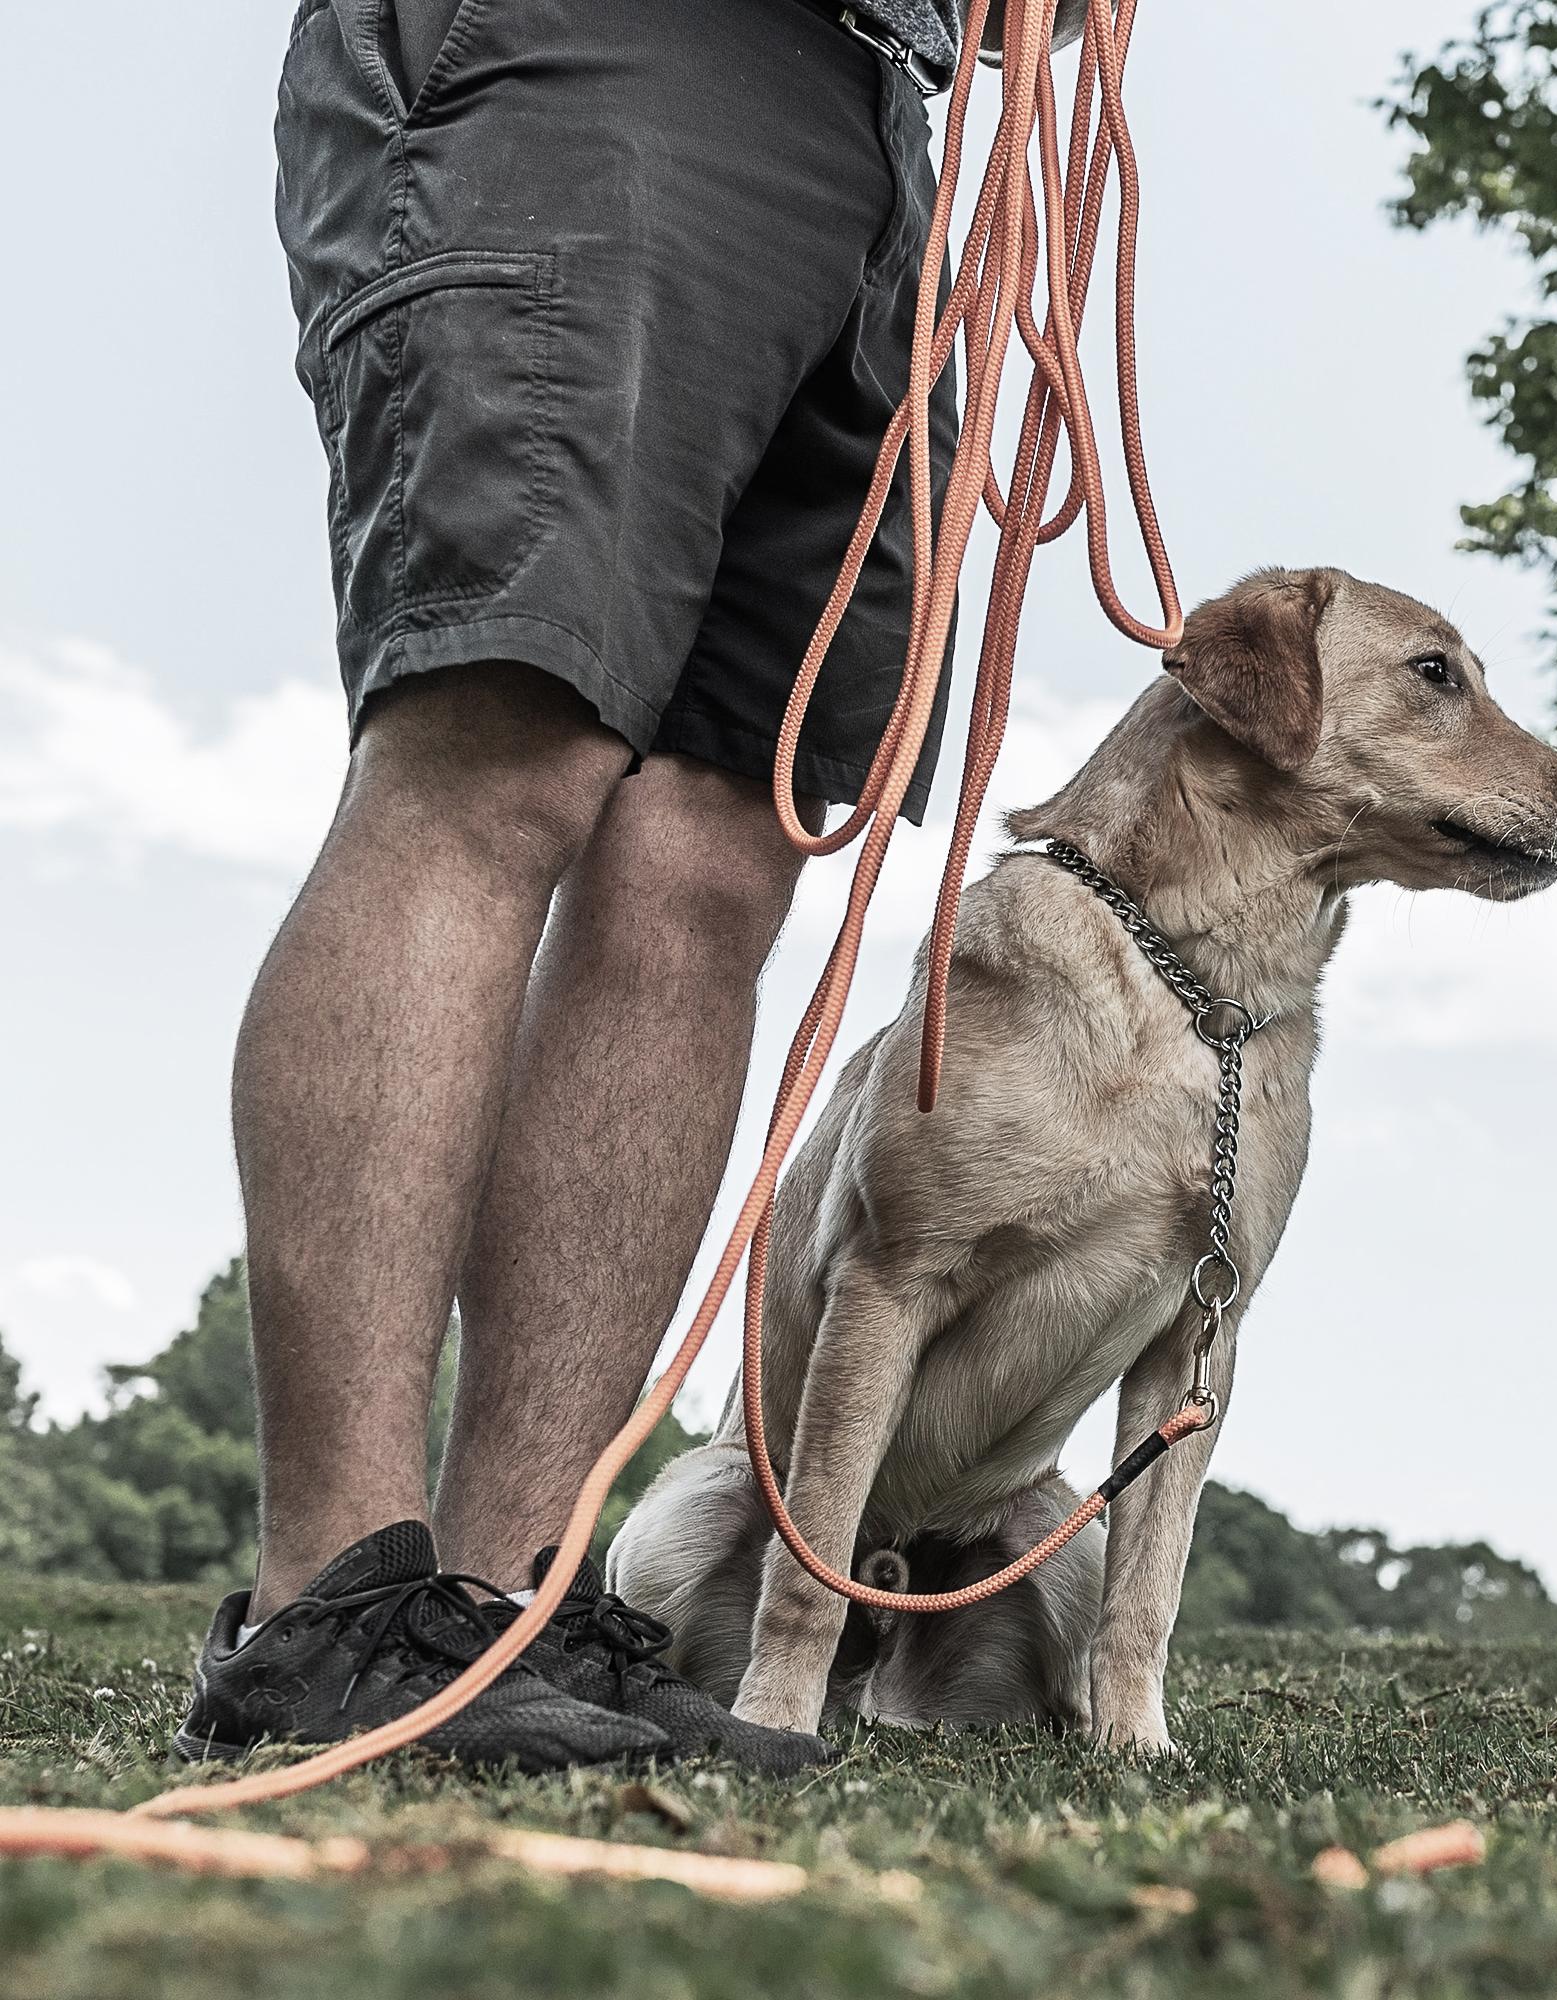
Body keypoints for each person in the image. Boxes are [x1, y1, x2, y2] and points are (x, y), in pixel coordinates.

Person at [175, 0, 1073, 1777]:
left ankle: (512, 1602)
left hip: (866, 94)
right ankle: (330, 1611)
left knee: (720, 849)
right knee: (503, 741)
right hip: (590, 40)